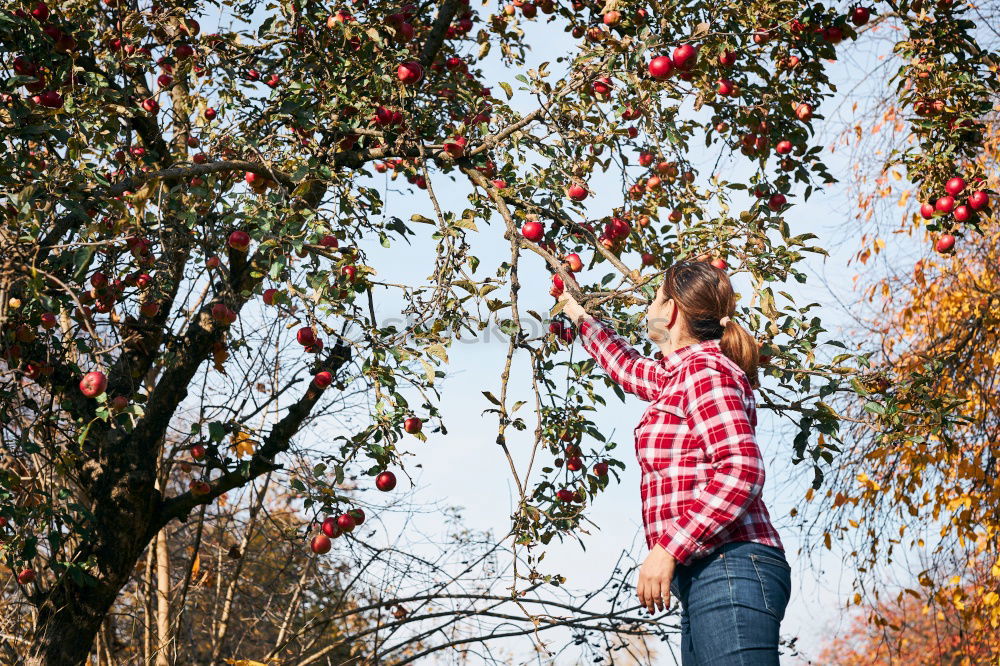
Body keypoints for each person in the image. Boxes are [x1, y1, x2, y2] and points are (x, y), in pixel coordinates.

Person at [557, 260, 791, 665]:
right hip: (706, 573)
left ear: (672, 311)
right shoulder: (677, 377)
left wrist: (667, 549)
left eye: (655, 299)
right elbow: (627, 367)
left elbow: (742, 469)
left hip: (730, 566)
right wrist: (577, 312)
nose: (648, 309)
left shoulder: (705, 371)